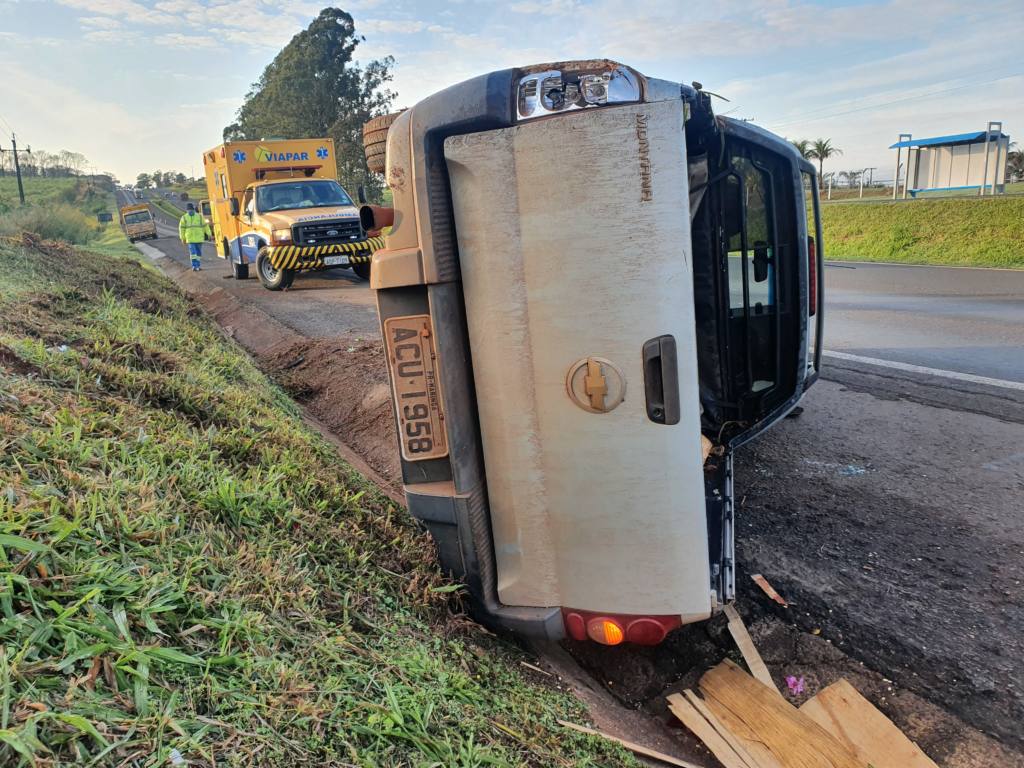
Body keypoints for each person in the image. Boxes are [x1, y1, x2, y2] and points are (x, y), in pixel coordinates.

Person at [179, 203, 211, 271]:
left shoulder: (199, 217)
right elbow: (181, 229)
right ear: (186, 210)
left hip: (199, 239)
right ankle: (194, 266)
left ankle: (198, 266)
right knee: (193, 253)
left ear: (193, 209)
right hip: (190, 239)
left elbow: (205, 226)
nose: (190, 211)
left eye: (191, 210)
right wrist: (182, 238)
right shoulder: (184, 218)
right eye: (188, 210)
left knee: (198, 253)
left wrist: (209, 234)